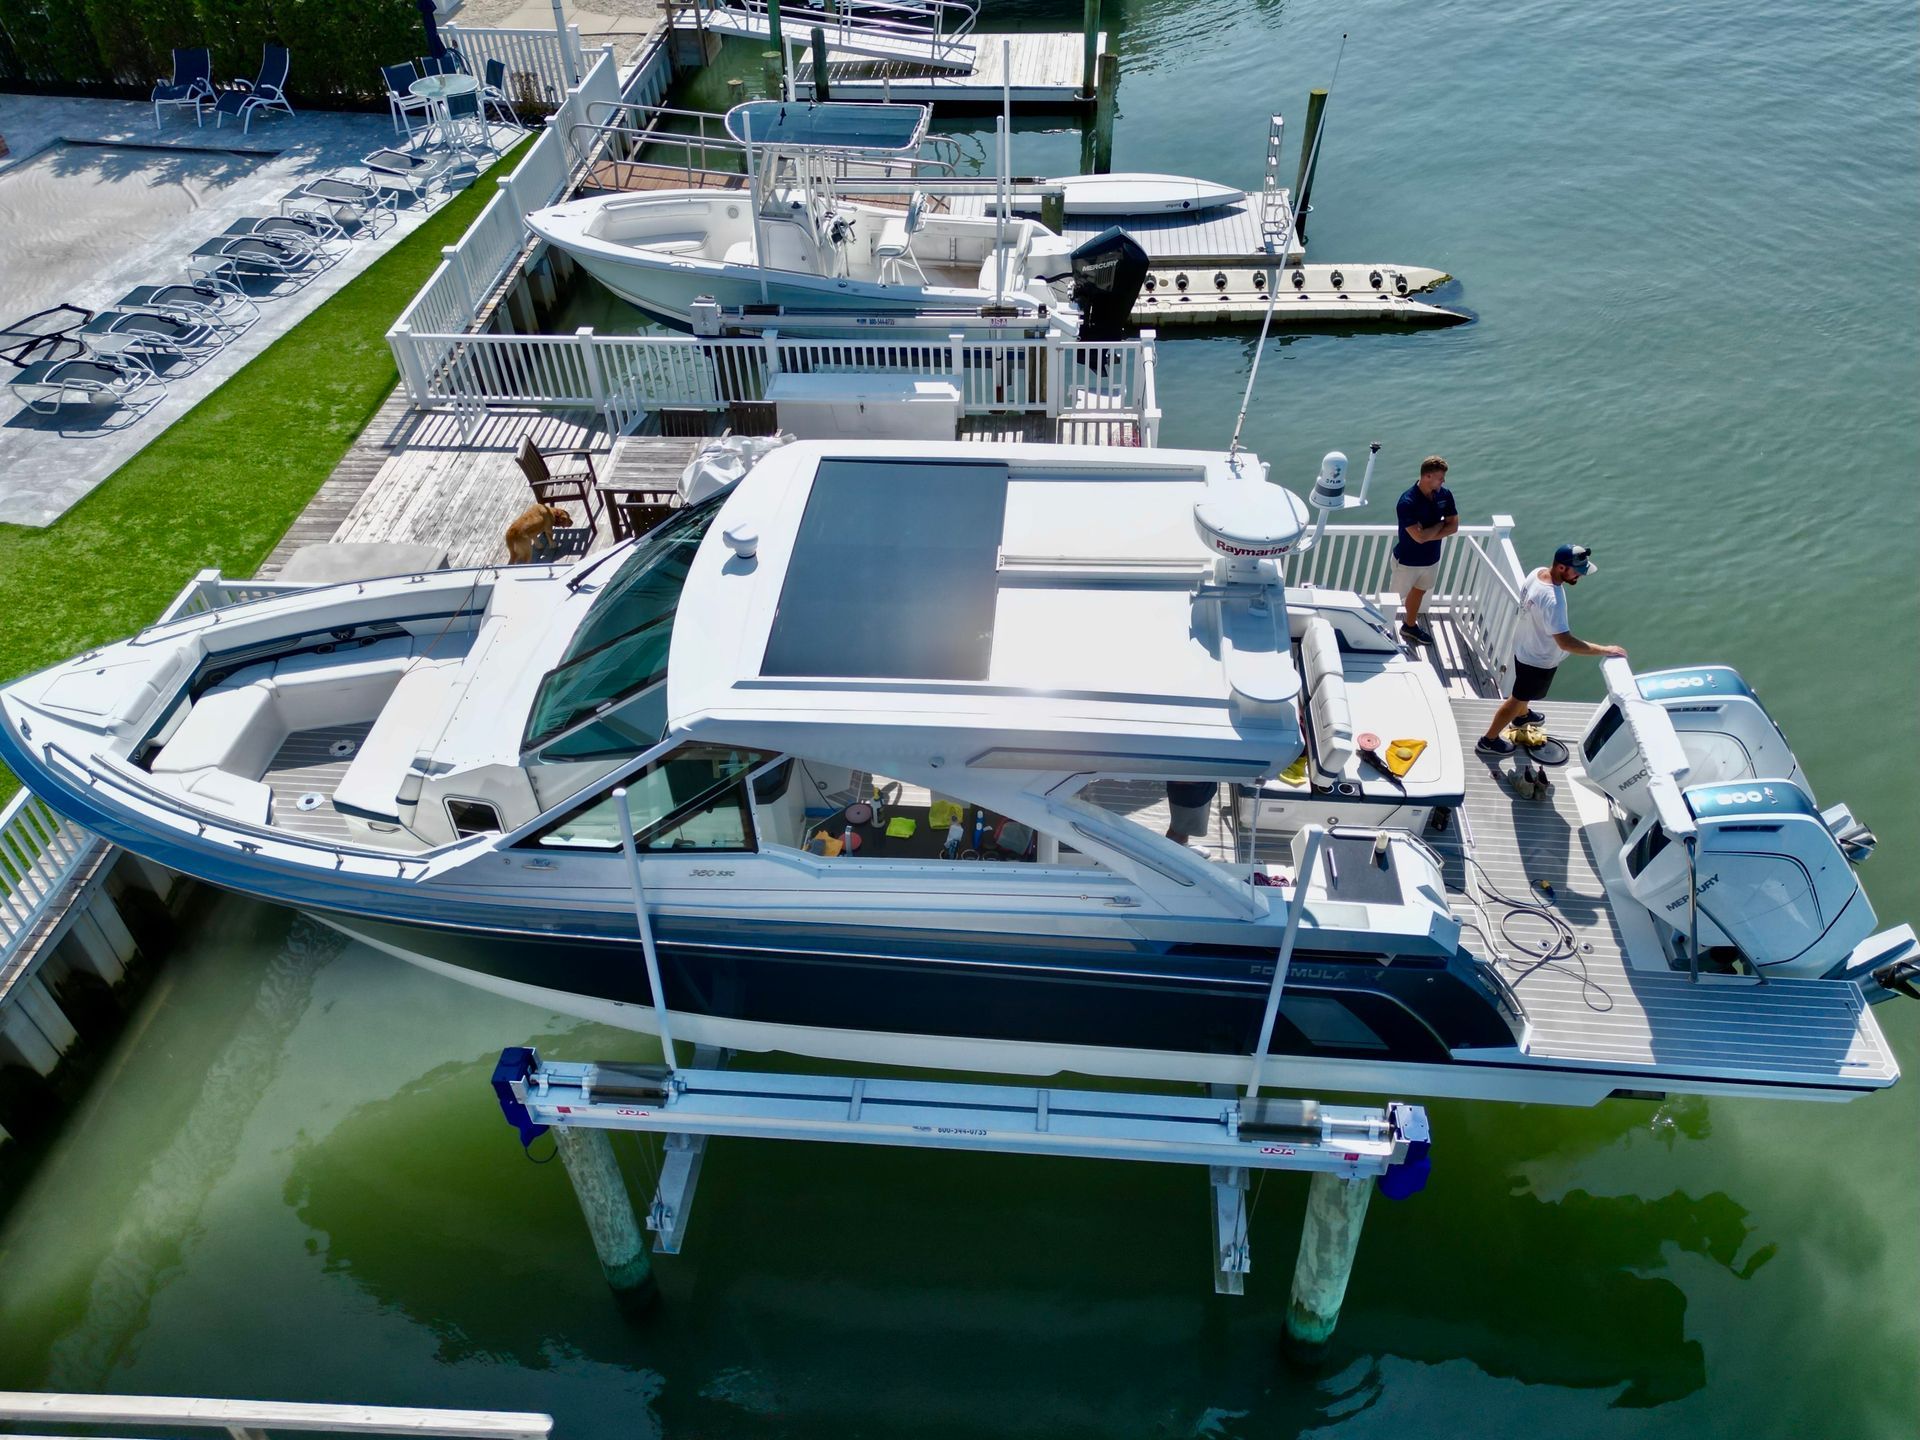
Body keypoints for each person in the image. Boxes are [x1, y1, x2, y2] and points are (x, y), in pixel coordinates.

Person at [1477, 544, 1626, 755]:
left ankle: (1522, 716)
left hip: (1524, 646)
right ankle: (1488, 740)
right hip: (1538, 659)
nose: (1580, 576)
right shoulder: (1553, 600)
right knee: (1517, 698)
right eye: (1578, 571)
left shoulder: (1537, 573)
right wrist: (1605, 649)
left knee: (1523, 693)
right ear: (1562, 568)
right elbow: (1566, 642)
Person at [1392, 456, 1458, 647]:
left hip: (1431, 559)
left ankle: (1409, 626)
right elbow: (1418, 537)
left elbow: (1453, 526)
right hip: (1407, 561)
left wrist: (1428, 532)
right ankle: (1381, 629)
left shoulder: (1444, 495)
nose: (1443, 481)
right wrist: (1439, 524)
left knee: (1419, 592)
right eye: (1440, 478)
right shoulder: (1407, 502)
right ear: (1427, 476)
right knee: (1393, 598)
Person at [1165, 780, 1218, 846]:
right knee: (1179, 831)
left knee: (1182, 828)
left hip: (1201, 784)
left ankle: (1182, 849)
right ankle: (1176, 853)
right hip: (1189, 786)